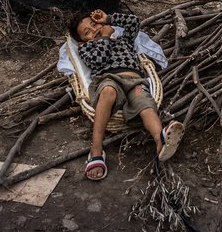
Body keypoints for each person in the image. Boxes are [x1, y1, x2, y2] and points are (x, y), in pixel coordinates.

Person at [68, 9, 183, 180]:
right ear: (82, 41)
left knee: (145, 104)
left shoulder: (124, 40)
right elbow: (98, 60)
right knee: (108, 92)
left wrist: (109, 18)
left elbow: (134, 22)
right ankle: (96, 149)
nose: (94, 30)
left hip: (135, 81)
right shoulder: (88, 48)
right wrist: (105, 37)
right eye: (87, 32)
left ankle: (161, 141)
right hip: (109, 79)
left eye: (94, 24)